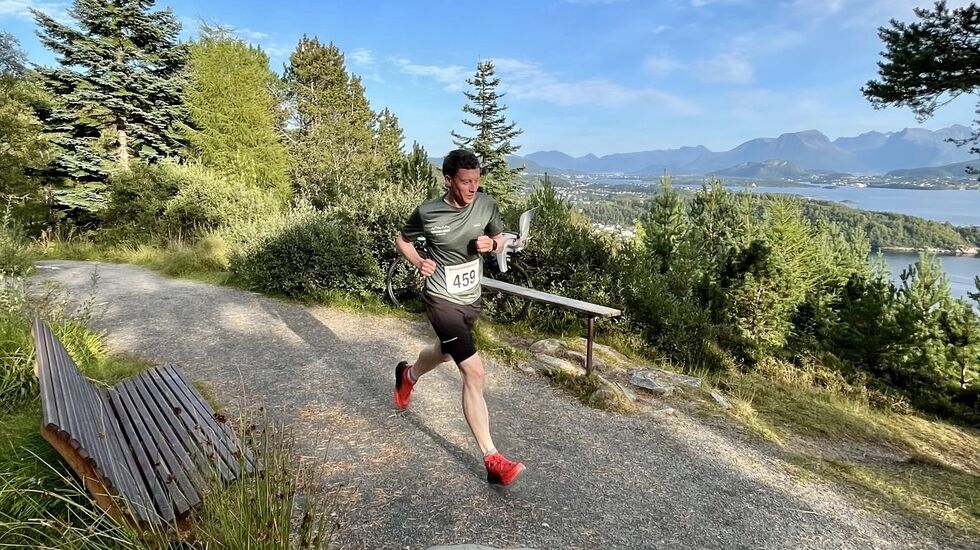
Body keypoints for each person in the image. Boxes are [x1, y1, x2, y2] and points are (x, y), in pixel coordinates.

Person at [393, 149, 525, 486]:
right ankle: (492, 458)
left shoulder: (486, 204)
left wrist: (491, 244)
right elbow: (402, 240)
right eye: (465, 182)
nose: (472, 188)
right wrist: (418, 261)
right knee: (474, 373)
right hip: (440, 299)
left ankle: (408, 375)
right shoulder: (427, 211)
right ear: (448, 180)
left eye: (477, 181)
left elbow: (502, 239)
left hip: (470, 299)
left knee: (446, 351)